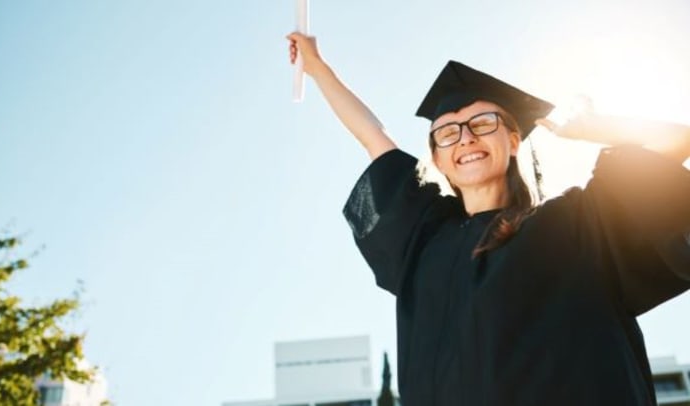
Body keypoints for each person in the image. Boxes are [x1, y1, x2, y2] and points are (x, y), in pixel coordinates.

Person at [286, 32, 690, 405]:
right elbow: (372, 136)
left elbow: (677, 143)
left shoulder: (578, 223)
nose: (465, 138)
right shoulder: (422, 239)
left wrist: (595, 128)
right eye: (447, 133)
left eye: (482, 123)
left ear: (513, 141)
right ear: (438, 159)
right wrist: (318, 68)